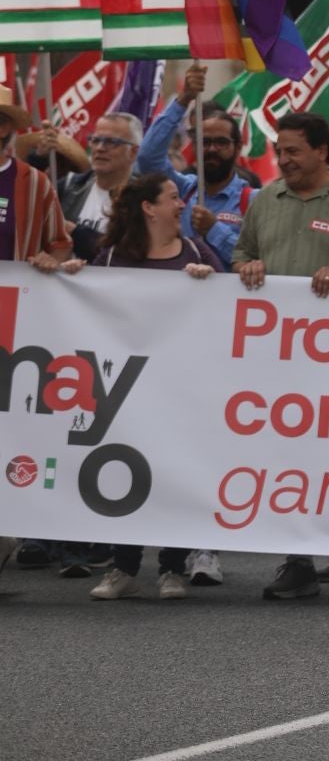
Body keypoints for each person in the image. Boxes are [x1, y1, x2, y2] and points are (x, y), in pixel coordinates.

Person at [232, 111, 329, 600]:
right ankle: (296, 561)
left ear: (323, 151)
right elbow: (239, 257)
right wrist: (249, 266)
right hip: (276, 359)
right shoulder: (264, 200)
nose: (284, 159)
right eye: (281, 150)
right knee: (285, 453)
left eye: (294, 150)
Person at [59, 175, 220, 599]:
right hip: (125, 390)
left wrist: (211, 281)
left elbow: (231, 305)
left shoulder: (195, 251)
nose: (181, 205)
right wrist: (73, 278)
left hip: (182, 388)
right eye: (172, 198)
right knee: (125, 471)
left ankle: (171, 568)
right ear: (149, 208)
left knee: (175, 472)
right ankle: (123, 567)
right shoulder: (111, 258)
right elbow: (85, 306)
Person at [136, 64, 255, 269]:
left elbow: (257, 260)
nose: (212, 149)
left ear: (237, 148)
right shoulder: (182, 190)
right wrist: (184, 99)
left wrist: (214, 229)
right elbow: (147, 157)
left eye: (221, 142)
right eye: (205, 142)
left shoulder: (253, 201)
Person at [0, 96, 71, 269]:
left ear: (3, 129)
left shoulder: (34, 182)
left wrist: (51, 261)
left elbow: (60, 244)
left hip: (8, 294)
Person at [59, 112, 141, 259]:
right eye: (95, 140)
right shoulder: (69, 186)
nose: (100, 148)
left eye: (111, 142)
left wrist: (75, 232)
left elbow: (129, 255)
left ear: (133, 152)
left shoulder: (144, 199)